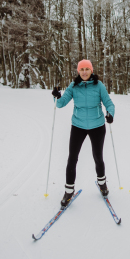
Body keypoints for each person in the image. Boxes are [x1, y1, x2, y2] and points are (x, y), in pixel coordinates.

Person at [52, 59, 115, 208]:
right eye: (82, 69)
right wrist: (56, 96)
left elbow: (109, 103)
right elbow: (60, 104)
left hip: (97, 126)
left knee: (98, 157)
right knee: (72, 158)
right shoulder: (73, 86)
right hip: (78, 126)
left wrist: (110, 114)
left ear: (91, 71)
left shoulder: (99, 85)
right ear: (78, 71)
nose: (85, 72)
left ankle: (102, 184)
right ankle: (68, 191)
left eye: (87, 69)